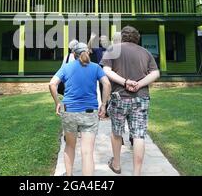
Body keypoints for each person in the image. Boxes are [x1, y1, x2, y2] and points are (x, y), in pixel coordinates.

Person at [100, 26, 160, 176]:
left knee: (116, 132)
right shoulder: (145, 52)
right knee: (139, 135)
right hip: (141, 97)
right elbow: (156, 73)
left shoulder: (113, 50)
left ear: (123, 37)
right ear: (137, 38)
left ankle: (117, 164)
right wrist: (139, 84)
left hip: (119, 97)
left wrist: (125, 82)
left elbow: (106, 71)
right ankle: (137, 173)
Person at [49, 42, 111, 176]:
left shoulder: (66, 68)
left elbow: (52, 84)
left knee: (70, 146)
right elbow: (106, 84)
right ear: (88, 52)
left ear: (73, 54)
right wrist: (104, 105)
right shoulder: (95, 67)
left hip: (69, 111)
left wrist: (57, 102)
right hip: (90, 112)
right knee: (87, 151)